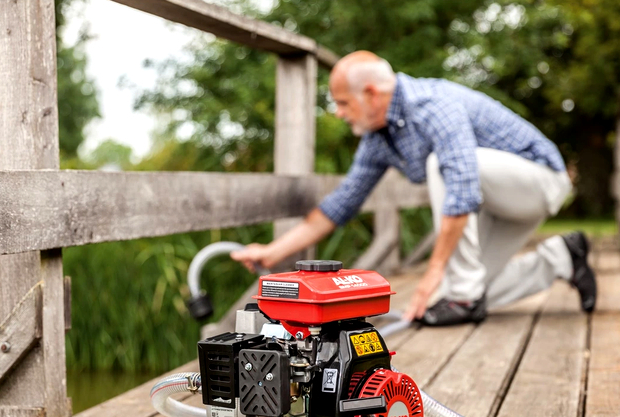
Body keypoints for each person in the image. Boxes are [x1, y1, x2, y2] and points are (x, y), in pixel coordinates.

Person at [232, 51, 596, 326]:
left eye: (343, 103)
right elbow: (340, 204)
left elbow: (463, 186)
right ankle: (563, 257)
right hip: (496, 200)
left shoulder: (432, 107)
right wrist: (272, 251)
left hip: (541, 182)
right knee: (458, 294)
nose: (339, 113)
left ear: (371, 94)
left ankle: (465, 296)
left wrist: (434, 271)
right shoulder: (378, 138)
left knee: (444, 172)